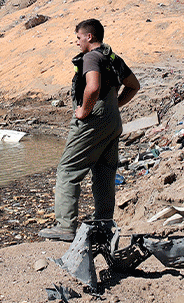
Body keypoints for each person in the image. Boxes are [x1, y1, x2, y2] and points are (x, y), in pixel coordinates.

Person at [39, 19, 141, 241]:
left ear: (89, 37)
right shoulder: (112, 57)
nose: (76, 42)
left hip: (94, 118)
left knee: (68, 169)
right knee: (105, 173)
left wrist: (84, 110)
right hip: (113, 120)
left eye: (78, 38)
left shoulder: (91, 57)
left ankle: (65, 226)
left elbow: (93, 87)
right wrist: (114, 106)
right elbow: (134, 85)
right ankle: (104, 224)